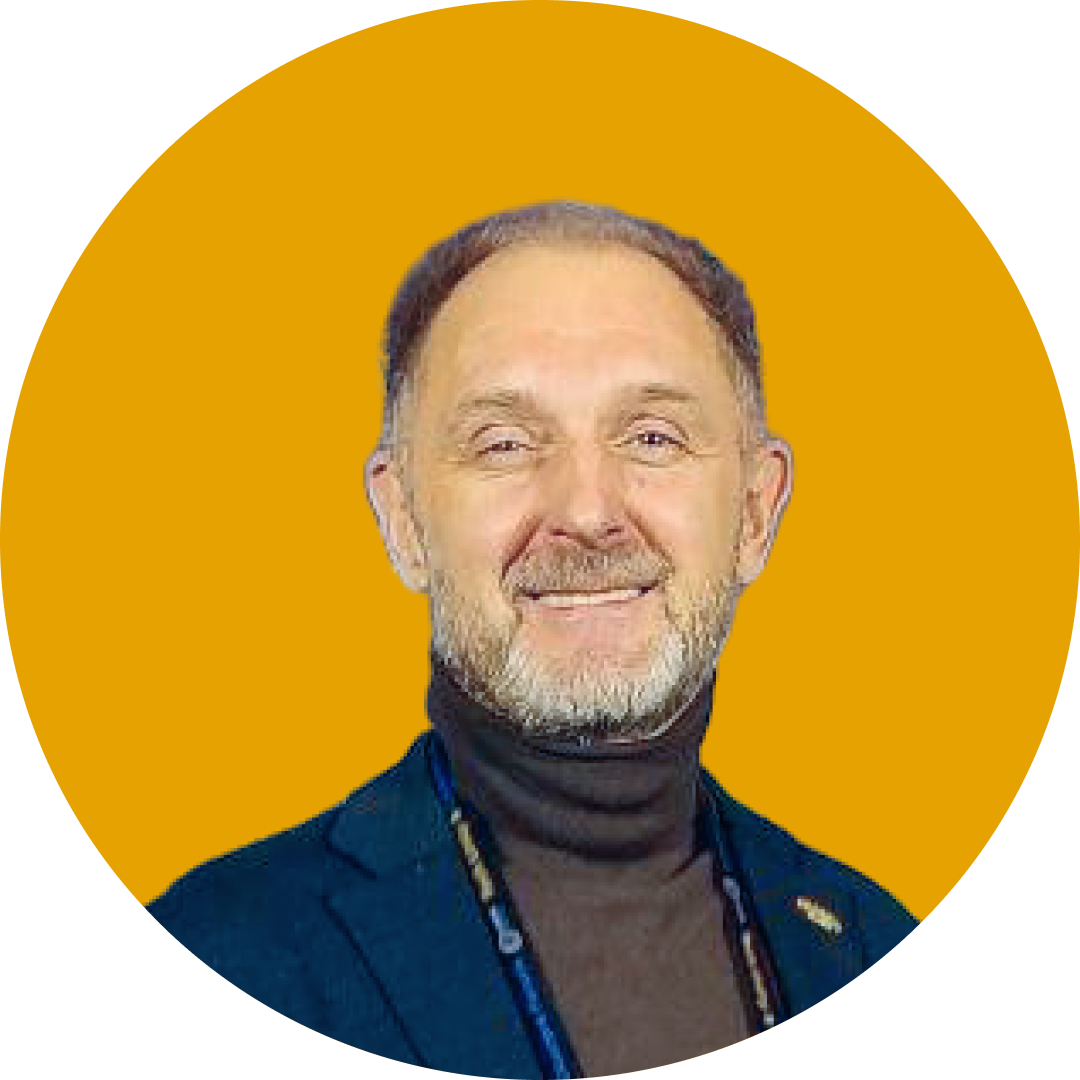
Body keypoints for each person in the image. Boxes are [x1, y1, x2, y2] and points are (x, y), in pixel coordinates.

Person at [148, 202, 919, 1076]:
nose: (586, 512)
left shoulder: (871, 939)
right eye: (506, 444)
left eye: (653, 437)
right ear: (402, 520)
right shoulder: (223, 950)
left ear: (754, 511)